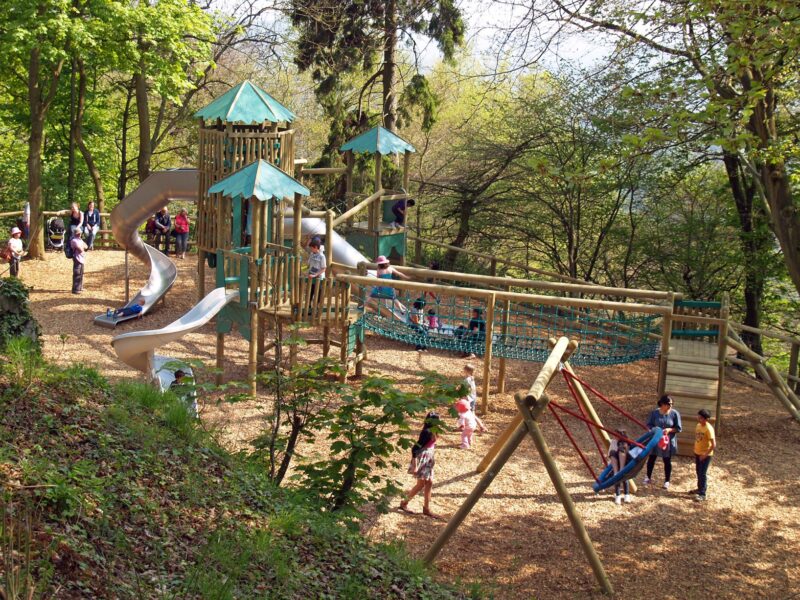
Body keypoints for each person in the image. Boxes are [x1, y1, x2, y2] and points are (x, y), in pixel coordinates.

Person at [399, 412, 441, 518]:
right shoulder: (426, 432)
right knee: (422, 484)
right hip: (423, 458)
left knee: (428, 483)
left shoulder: (434, 430)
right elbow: (415, 448)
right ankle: (405, 503)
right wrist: (415, 465)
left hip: (429, 458)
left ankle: (425, 508)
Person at [643, 395, 682, 489]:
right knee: (652, 458)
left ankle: (667, 481)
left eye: (671, 404)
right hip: (656, 439)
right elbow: (649, 425)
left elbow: (678, 428)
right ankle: (648, 477)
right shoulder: (654, 413)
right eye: (668, 404)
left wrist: (669, 430)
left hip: (667, 440)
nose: (670, 406)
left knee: (667, 460)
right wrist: (655, 430)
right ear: (662, 404)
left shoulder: (675, 414)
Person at [692, 409, 716, 502]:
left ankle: (702, 493)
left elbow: (713, 445)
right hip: (697, 453)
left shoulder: (709, 429)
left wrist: (705, 455)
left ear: (706, 419)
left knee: (702, 473)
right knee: (698, 471)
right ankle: (699, 488)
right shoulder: (698, 425)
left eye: (701, 418)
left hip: (705, 455)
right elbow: (698, 439)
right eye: (698, 416)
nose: (699, 419)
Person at [609, 430, 632, 505]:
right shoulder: (614, 442)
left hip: (625, 463)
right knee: (617, 478)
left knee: (624, 478)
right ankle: (618, 496)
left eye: (616, 435)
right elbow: (611, 452)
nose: (615, 436)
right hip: (616, 463)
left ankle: (626, 495)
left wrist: (624, 446)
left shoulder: (625, 442)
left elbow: (628, 451)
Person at [306, 237, 326, 312]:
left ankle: (317, 309)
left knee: (318, 294)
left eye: (312, 248)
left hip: (318, 278)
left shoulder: (322, 256)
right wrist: (305, 271)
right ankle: (308, 308)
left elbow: (323, 268)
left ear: (316, 247)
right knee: (310, 292)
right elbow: (308, 264)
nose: (311, 249)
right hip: (311, 276)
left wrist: (315, 275)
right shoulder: (312, 254)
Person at [70, 228, 88, 294]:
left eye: (80, 233)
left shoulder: (80, 240)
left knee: (81, 273)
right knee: (77, 273)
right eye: (78, 233)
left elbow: (86, 246)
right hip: (77, 258)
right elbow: (81, 250)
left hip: (82, 259)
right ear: (75, 234)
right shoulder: (74, 240)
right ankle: (75, 289)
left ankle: (80, 287)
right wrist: (82, 246)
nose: (80, 234)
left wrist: (82, 246)